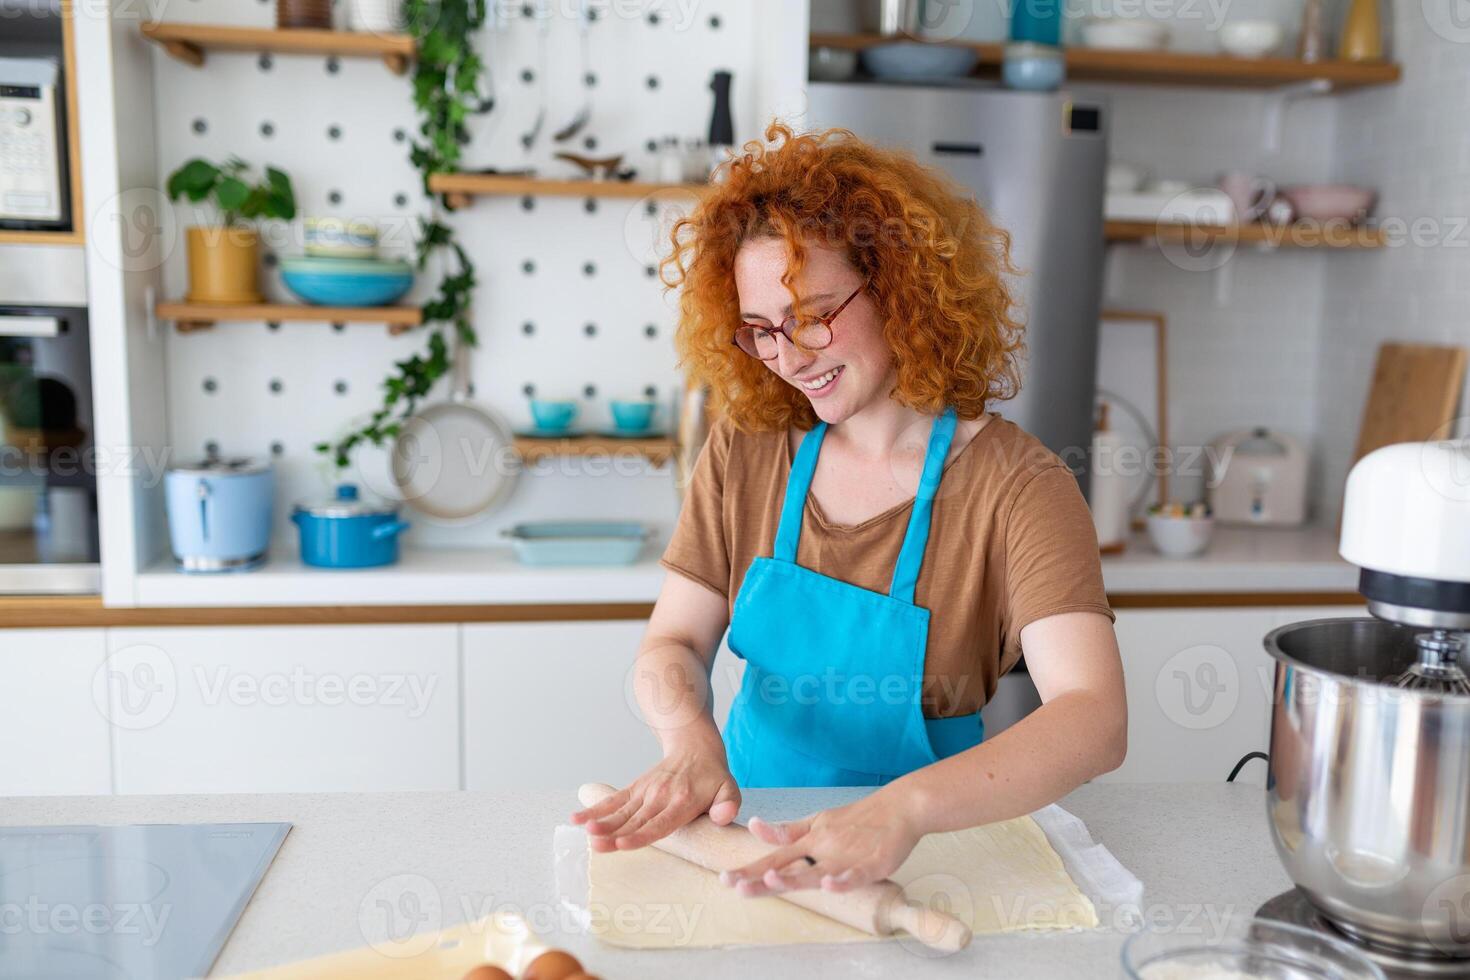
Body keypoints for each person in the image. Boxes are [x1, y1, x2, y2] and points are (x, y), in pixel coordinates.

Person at [572, 122, 1126, 899]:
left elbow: (1094, 717)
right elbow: (671, 641)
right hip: (753, 843)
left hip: (932, 855)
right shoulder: (749, 448)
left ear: (901, 287)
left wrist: (903, 809)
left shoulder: (1018, 484)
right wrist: (687, 734)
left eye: (813, 314)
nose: (790, 358)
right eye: (763, 330)